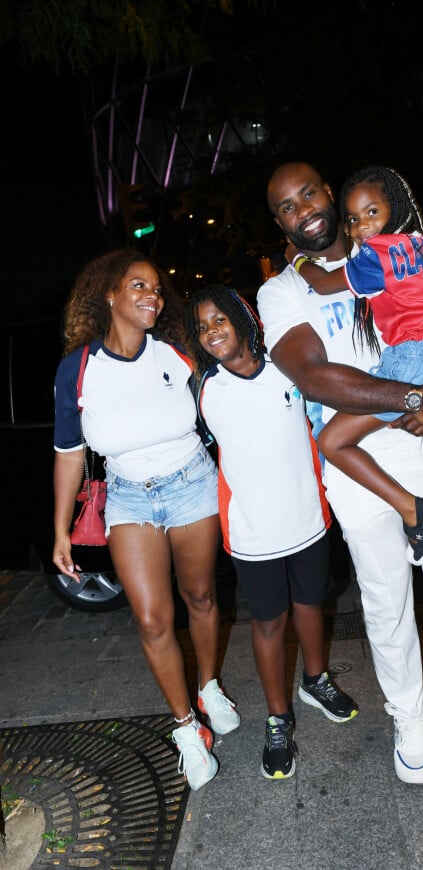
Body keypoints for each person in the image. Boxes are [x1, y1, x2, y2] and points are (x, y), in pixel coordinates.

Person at [257, 162, 423, 784]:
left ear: (329, 192)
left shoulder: (392, 244)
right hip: (358, 460)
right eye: (287, 207)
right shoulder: (281, 293)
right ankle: (410, 716)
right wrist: (415, 394)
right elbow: (316, 377)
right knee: (385, 600)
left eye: (308, 194)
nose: (304, 210)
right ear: (280, 223)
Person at [52, 249, 240, 793]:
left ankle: (208, 688)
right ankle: (187, 729)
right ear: (110, 294)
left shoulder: (178, 352)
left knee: (201, 597)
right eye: (139, 286)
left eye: (157, 288)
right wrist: (61, 527)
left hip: (192, 485)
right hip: (129, 498)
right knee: (153, 619)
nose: (152, 297)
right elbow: (68, 452)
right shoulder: (78, 368)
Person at [186, 285, 359, 780]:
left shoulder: (287, 370)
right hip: (253, 532)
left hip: (307, 519)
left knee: (311, 605)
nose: (211, 331)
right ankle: (278, 718)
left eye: (220, 319)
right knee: (268, 623)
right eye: (202, 326)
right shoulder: (203, 390)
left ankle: (316, 680)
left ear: (244, 319)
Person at [284, 165, 423, 566]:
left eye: (372, 213)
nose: (362, 226)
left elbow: (324, 284)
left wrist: (297, 261)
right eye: (353, 219)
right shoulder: (421, 243)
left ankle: (418, 512)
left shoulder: (377, 255)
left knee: (332, 441)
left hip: (411, 361)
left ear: (393, 208)